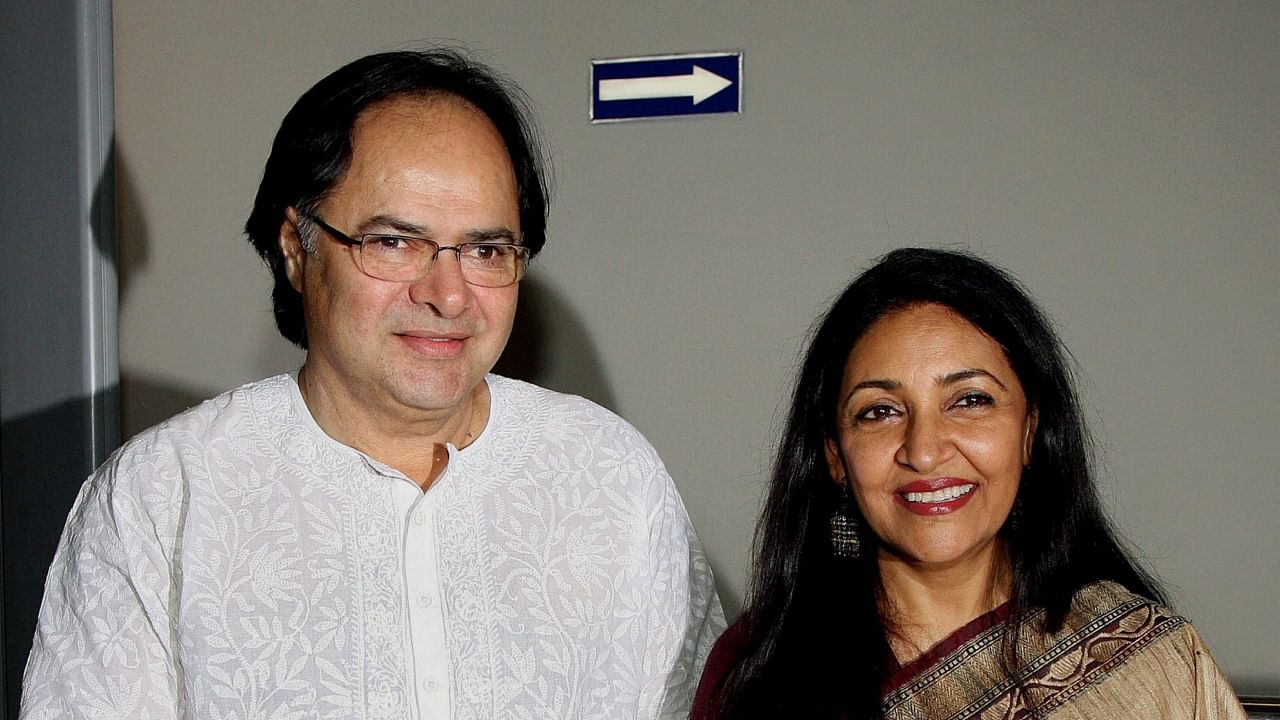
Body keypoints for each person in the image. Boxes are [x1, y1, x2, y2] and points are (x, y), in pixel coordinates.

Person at [20, 49, 723, 719]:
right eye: (393, 242)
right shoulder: (164, 495)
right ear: (298, 245)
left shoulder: (610, 475)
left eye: (485, 249)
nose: (449, 295)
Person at [692, 248, 1245, 719]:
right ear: (835, 457)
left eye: (970, 401)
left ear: (1030, 432)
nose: (925, 449)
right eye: (880, 411)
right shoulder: (760, 681)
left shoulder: (1143, 660)